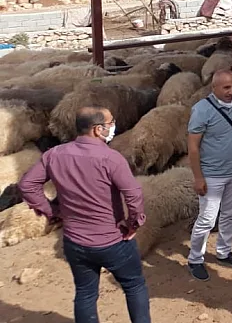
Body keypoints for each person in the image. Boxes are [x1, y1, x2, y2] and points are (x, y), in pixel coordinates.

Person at [18, 106, 150, 323]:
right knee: (134, 285)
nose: (113, 127)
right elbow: (133, 193)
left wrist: (51, 211)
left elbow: (27, 184)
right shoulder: (111, 158)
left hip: (75, 242)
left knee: (86, 293)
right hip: (113, 240)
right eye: (110, 123)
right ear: (98, 130)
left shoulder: (54, 154)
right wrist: (133, 223)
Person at [186, 68, 232, 281]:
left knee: (230, 214)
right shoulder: (201, 110)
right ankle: (195, 258)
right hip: (212, 174)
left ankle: (224, 251)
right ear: (214, 88)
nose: (231, 91)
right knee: (207, 218)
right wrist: (198, 177)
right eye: (226, 87)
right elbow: (193, 146)